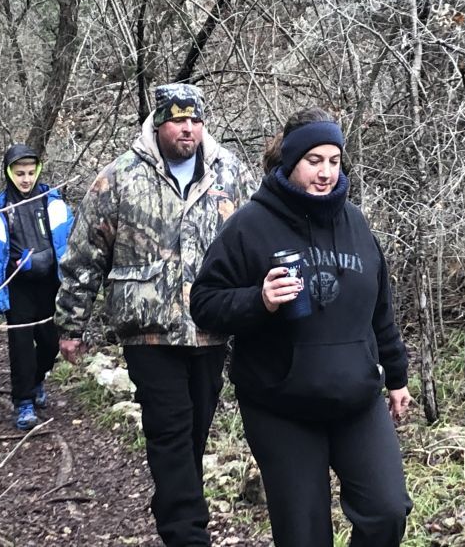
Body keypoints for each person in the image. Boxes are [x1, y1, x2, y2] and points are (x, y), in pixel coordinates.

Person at [190, 107, 413, 547]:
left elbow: (379, 306)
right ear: (290, 161)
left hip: (356, 397)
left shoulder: (356, 222)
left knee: (387, 512)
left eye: (334, 160)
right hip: (280, 405)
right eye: (314, 160)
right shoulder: (250, 226)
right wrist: (259, 300)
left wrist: (397, 375)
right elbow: (204, 303)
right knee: (304, 536)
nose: (326, 172)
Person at [56, 83, 255, 547]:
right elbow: (86, 254)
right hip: (148, 331)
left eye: (194, 120)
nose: (187, 128)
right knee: (168, 431)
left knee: (192, 435)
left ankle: (174, 507)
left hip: (211, 329)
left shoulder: (231, 174)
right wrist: (71, 324)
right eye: (177, 120)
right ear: (158, 123)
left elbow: (256, 243)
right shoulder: (119, 177)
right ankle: (188, 534)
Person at [0, 143, 73, 431]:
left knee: (51, 342)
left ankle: (38, 378)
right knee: (20, 346)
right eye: (19, 173)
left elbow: (71, 240)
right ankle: (24, 402)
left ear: (38, 171)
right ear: (9, 173)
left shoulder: (53, 203)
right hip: (16, 286)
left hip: (50, 284)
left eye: (30, 172)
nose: (26, 179)